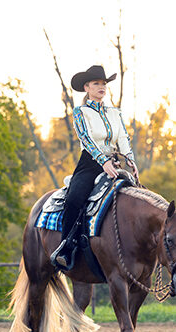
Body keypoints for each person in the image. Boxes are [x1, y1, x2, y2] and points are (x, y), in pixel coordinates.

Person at [51, 65, 139, 271]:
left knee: (136, 196)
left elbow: (123, 138)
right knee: (74, 199)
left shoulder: (114, 113)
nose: (101, 87)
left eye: (104, 83)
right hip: (90, 163)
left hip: (114, 162)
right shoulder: (81, 112)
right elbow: (87, 140)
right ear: (87, 87)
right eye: (97, 83)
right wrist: (103, 161)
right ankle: (66, 247)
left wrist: (131, 160)